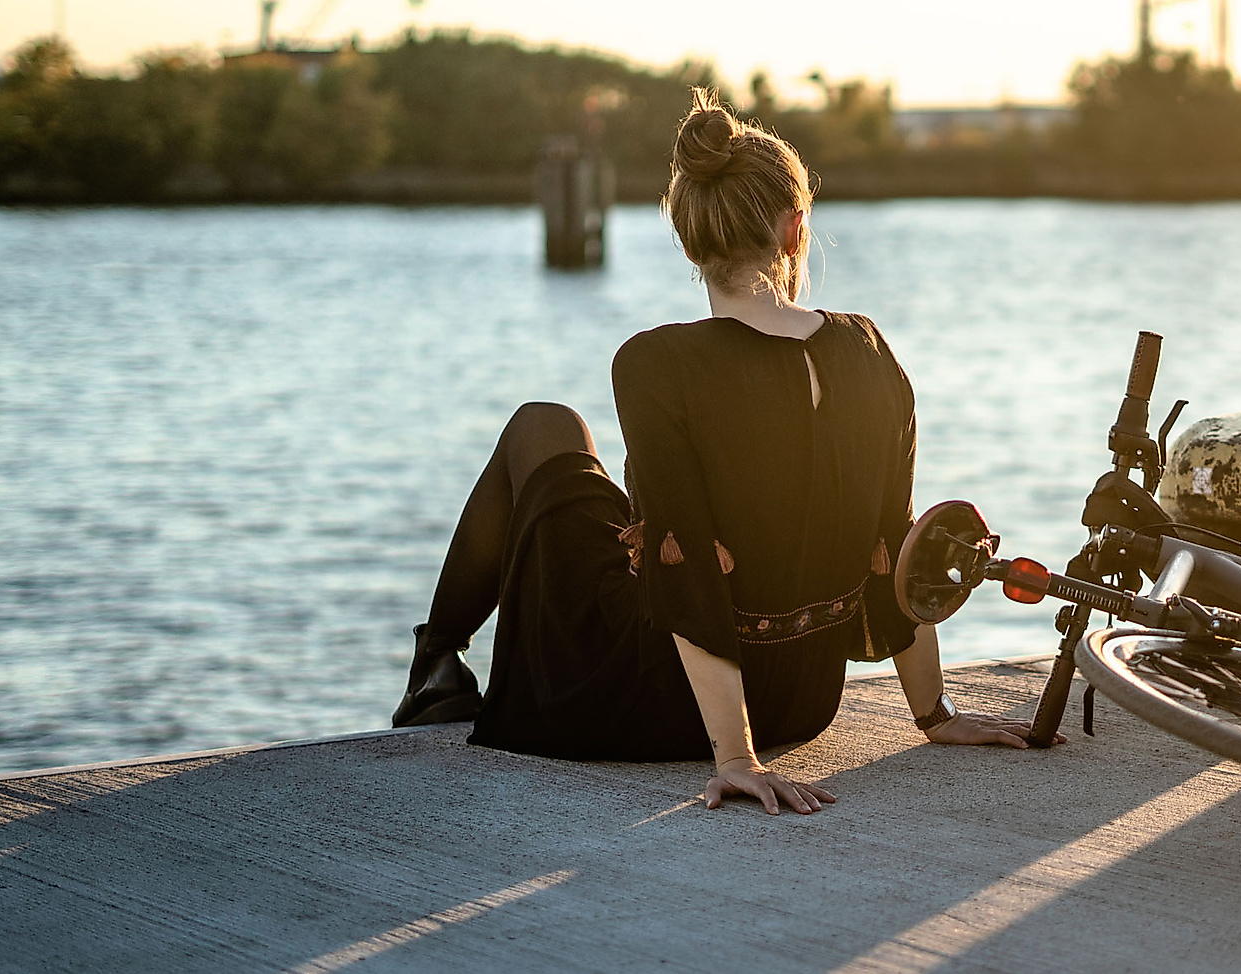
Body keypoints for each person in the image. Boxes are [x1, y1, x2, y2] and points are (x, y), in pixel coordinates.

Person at [390, 88, 1050, 816]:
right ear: (795, 230)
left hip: (661, 700)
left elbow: (687, 559)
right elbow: (901, 545)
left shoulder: (654, 361)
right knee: (609, 501)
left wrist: (735, 755)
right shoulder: (868, 348)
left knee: (543, 426)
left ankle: (436, 661)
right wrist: (935, 714)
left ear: (687, 237)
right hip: (800, 705)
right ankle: (438, 662)